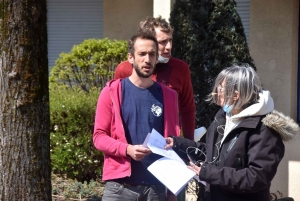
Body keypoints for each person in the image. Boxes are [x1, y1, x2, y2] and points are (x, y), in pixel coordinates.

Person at [165, 64, 299, 201]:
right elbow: (212, 153)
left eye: (221, 88)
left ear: (236, 95)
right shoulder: (222, 118)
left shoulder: (264, 130)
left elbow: (256, 177)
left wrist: (210, 173)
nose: (217, 91)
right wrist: (178, 144)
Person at [93, 30, 180, 201]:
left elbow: (173, 143)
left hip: (156, 190)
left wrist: (172, 192)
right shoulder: (112, 92)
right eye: (142, 54)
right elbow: (99, 137)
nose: (147, 60)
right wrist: (127, 149)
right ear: (131, 58)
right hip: (120, 188)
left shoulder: (169, 96)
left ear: (157, 59)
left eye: (152, 54)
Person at [114, 16, 195, 140]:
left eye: (170, 40)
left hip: (166, 147)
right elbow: (115, 112)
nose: (169, 47)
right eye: (163, 42)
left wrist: (189, 146)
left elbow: (187, 109)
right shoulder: (124, 69)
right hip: (131, 145)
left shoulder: (181, 68)